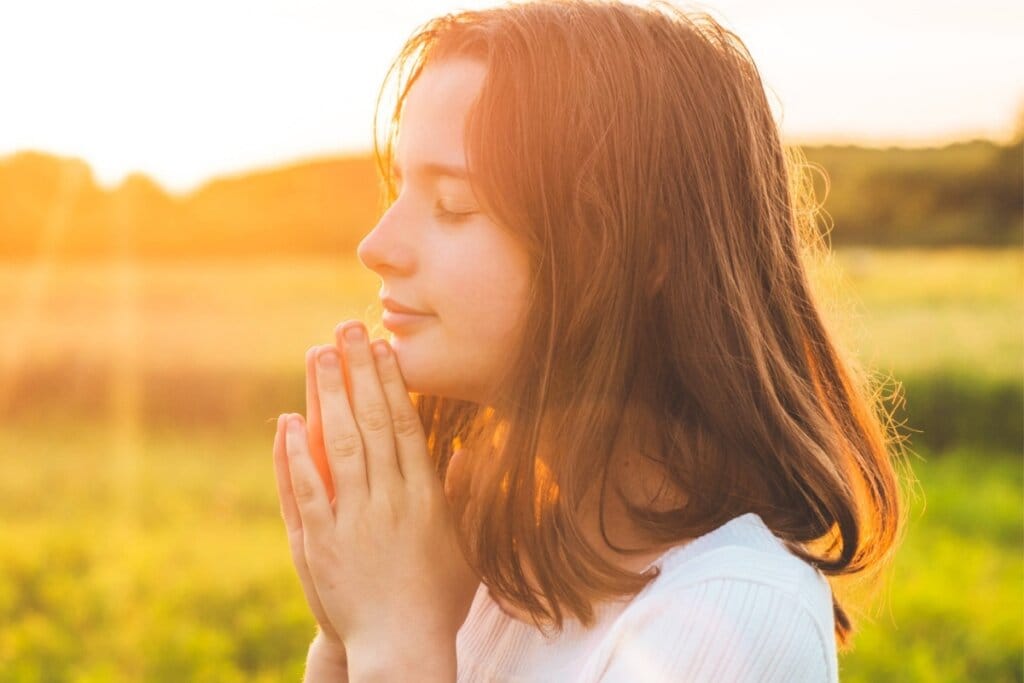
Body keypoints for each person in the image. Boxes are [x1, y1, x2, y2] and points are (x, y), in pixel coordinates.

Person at [271, 1, 912, 681]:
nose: (376, 247)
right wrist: (343, 640)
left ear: (645, 248)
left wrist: (396, 644)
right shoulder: (486, 564)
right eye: (398, 189)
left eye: (452, 204)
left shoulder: (736, 614)